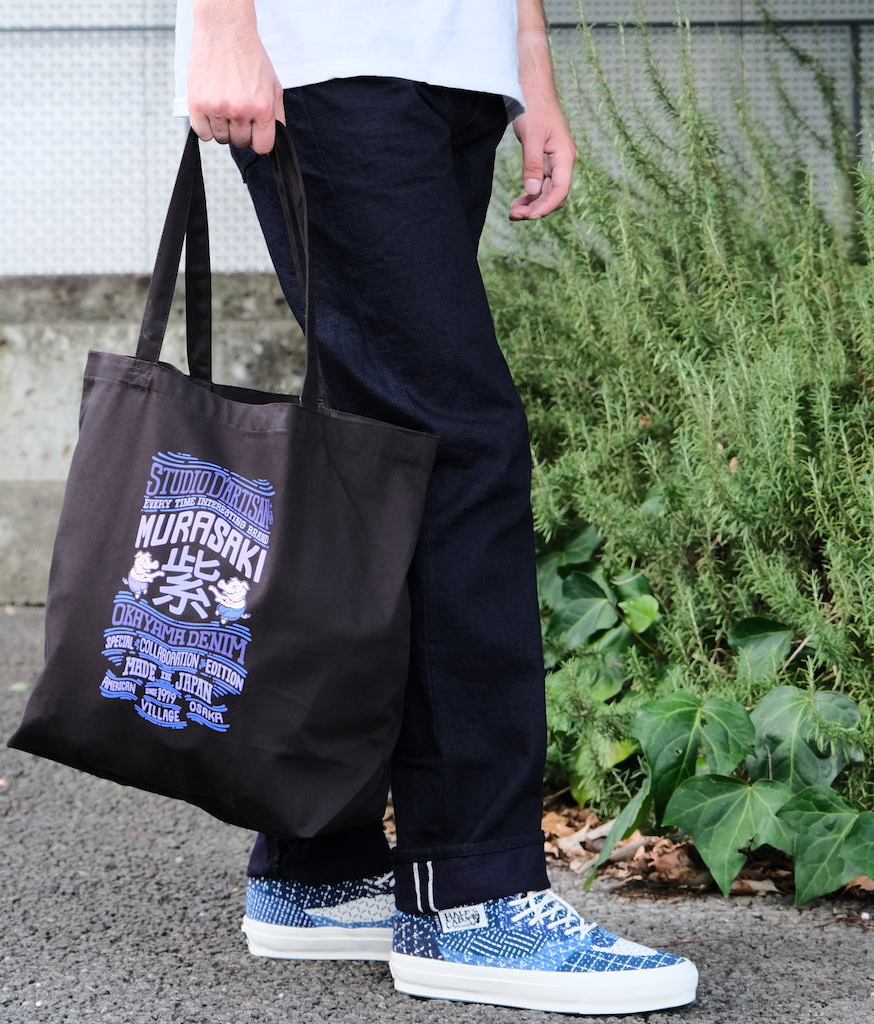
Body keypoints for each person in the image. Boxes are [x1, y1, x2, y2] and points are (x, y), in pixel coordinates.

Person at [175, 0, 698, 1014]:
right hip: (330, 56)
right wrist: (224, 23)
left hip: (453, 61)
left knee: (379, 456)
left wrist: (527, 60)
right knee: (459, 449)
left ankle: (317, 863)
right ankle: (470, 895)